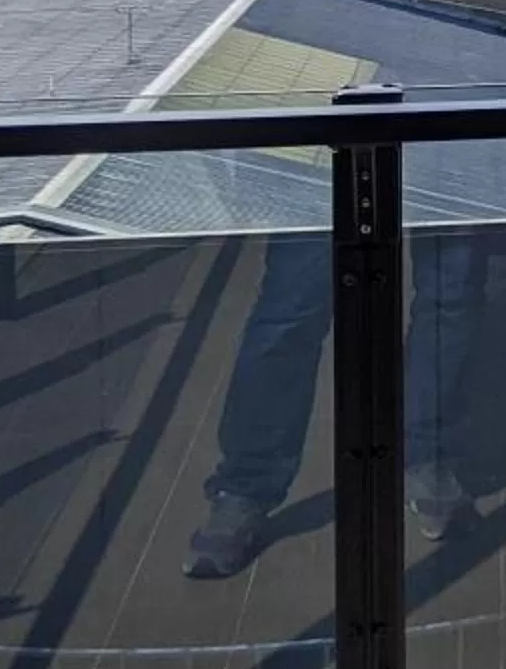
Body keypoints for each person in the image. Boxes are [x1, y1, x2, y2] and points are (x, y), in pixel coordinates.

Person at [184, 229, 484, 578]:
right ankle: (245, 487)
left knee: (453, 295)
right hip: (318, 177)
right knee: (289, 311)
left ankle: (429, 457)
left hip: (442, 175)